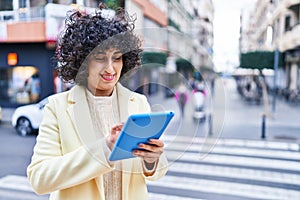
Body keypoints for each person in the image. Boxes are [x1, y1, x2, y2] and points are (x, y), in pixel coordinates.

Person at [27, 5, 168, 200]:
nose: (110, 68)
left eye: (117, 58)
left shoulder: (138, 102)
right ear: (82, 61)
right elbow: (39, 179)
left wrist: (152, 160)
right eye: (100, 58)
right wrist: (104, 149)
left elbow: (156, 171)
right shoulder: (57, 107)